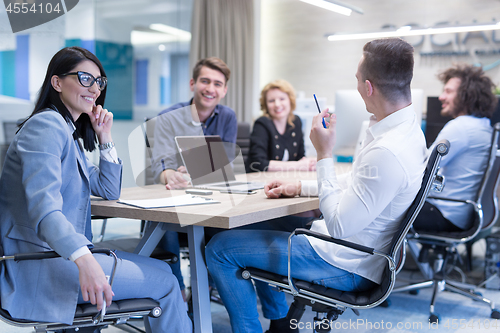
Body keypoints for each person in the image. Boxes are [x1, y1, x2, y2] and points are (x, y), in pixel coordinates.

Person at [205, 37, 428, 333]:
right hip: (351, 250)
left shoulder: (387, 151)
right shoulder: (405, 130)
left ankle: (266, 325)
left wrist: (324, 154)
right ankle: (280, 324)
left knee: (219, 248)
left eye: (358, 80)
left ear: (369, 87)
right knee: (240, 229)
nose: (358, 86)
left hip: (344, 263)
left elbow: (338, 226)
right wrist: (301, 186)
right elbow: (359, 182)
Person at [0, 47, 191, 333]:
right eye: (84, 78)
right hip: (41, 267)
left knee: (164, 271)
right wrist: (84, 259)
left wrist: (105, 137)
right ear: (57, 82)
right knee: (166, 282)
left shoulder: (68, 132)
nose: (94, 88)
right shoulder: (46, 126)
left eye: (99, 81)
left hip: (55, 257)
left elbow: (107, 188)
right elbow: (45, 210)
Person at [151, 57, 237, 302]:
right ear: (192, 83)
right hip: (174, 199)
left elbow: (225, 161)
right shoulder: (168, 116)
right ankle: (175, 290)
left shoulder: (227, 117)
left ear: (224, 90)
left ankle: (205, 289)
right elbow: (161, 165)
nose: (211, 89)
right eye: (205, 81)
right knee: (162, 220)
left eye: (217, 84)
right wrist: (171, 174)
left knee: (232, 223)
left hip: (211, 199)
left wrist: (196, 168)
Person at [413, 64, 498, 233]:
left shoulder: (461, 127)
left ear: (467, 95)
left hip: (444, 214)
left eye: (448, 91)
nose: (441, 97)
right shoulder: (484, 126)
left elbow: (422, 169)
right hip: (464, 215)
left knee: (384, 210)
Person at [247, 79, 316, 172]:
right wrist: (298, 165)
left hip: (286, 180)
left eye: (282, 99)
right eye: (271, 101)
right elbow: (258, 163)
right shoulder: (262, 123)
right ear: (266, 105)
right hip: (260, 180)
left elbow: (301, 157)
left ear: (290, 101)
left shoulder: (296, 122)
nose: (277, 104)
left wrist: (310, 163)